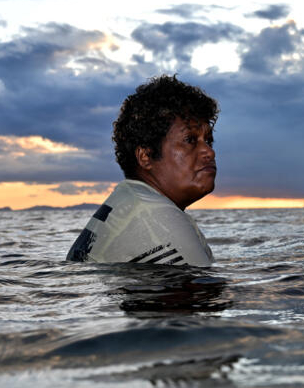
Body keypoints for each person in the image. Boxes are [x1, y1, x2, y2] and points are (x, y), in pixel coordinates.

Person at [67, 75, 218, 266]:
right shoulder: (158, 220)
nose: (209, 152)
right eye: (190, 140)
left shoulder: (132, 202)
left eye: (209, 141)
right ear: (145, 156)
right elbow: (197, 293)